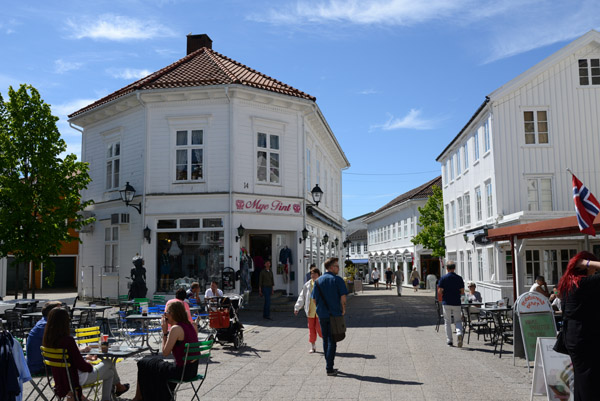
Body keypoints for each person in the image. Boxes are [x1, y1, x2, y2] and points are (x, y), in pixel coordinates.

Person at [42, 308, 129, 401]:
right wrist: (89, 365)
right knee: (108, 362)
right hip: (76, 378)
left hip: (60, 379)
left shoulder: (47, 340)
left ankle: (110, 396)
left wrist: (85, 359)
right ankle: (118, 388)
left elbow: (70, 359)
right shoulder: (68, 340)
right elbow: (81, 365)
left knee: (110, 373)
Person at [131, 301, 199, 401]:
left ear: (173, 314)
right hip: (192, 370)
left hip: (181, 372)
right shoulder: (191, 325)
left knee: (143, 363)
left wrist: (165, 333)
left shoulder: (176, 329)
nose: (164, 315)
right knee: (150, 362)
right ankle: (141, 397)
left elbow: (165, 353)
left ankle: (139, 397)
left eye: (166, 313)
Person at [556, 251, 600, 400]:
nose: (595, 270)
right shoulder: (583, 283)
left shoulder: (568, 284)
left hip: (573, 336)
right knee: (589, 380)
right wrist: (586, 262)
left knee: (583, 379)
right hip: (584, 336)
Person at [312, 257, 348, 376]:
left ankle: (329, 364)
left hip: (322, 314)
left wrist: (320, 309)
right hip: (334, 315)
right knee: (333, 340)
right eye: (337, 266)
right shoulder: (337, 280)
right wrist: (343, 309)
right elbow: (343, 298)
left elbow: (314, 300)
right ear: (331, 267)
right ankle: (329, 368)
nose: (338, 268)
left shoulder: (318, 281)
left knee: (326, 339)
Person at [26, 301, 62, 375]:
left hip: (40, 363)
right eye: (60, 312)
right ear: (52, 313)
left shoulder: (43, 323)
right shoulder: (45, 326)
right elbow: (59, 346)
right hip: (40, 367)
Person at [294, 267, 323, 353]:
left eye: (315, 274)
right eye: (312, 274)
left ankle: (327, 342)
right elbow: (302, 297)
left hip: (320, 311)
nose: (313, 275)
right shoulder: (307, 284)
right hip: (310, 311)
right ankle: (313, 346)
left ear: (319, 275)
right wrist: (297, 307)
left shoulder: (322, 284)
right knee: (311, 328)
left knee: (320, 328)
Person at [437, 262, 465, 347]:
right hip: (456, 302)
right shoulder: (459, 278)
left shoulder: (443, 278)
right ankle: (459, 333)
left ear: (447, 268)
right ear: (454, 268)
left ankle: (449, 340)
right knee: (458, 320)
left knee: (447, 321)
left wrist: (444, 291)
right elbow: (462, 291)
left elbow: (440, 291)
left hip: (446, 302)